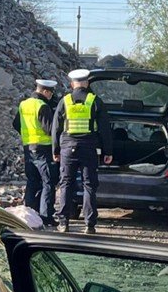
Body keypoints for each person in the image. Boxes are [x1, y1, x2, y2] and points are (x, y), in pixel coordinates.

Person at [51, 68, 113, 234]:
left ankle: (63, 223)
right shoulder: (95, 101)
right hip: (88, 148)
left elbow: (56, 128)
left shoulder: (64, 101)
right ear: (87, 83)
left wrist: (55, 150)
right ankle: (89, 225)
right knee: (89, 185)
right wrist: (108, 151)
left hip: (67, 148)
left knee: (66, 183)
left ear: (72, 84)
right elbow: (105, 129)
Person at [13, 78, 59, 228]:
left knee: (32, 181)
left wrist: (27, 136)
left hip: (28, 148)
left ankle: (29, 215)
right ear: (45, 91)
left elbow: (16, 124)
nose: (51, 96)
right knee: (48, 182)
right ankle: (46, 217)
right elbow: (50, 130)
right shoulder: (42, 106)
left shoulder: (24, 104)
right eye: (50, 93)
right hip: (43, 149)